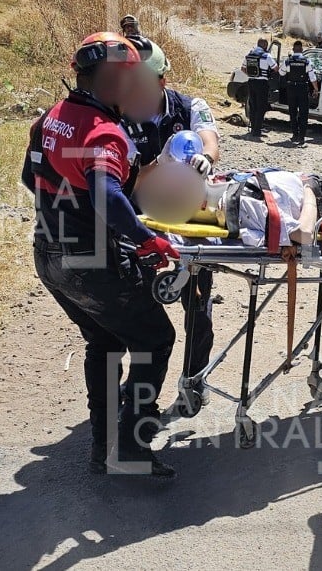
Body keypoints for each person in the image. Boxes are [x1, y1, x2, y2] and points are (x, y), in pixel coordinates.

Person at [21, 32, 179, 479]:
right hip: (88, 261)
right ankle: (130, 445)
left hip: (48, 255)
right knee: (154, 340)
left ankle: (101, 446)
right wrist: (145, 239)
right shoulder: (104, 134)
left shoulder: (53, 117)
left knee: (105, 342)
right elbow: (108, 196)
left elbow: (28, 178)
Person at [120, 36, 221, 410]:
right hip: (143, 222)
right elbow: (128, 182)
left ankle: (194, 380)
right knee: (142, 318)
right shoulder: (120, 118)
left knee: (198, 310)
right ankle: (138, 398)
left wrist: (205, 159)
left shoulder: (190, 106)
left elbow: (210, 140)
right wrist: (158, 164)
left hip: (191, 219)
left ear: (161, 81)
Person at [280, 40, 318, 146]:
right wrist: (315, 89)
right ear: (302, 50)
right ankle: (302, 137)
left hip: (291, 88)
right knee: (303, 113)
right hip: (302, 88)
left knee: (292, 112)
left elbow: (281, 72)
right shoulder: (307, 61)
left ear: (293, 49)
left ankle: (294, 135)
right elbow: (312, 78)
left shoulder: (288, 61)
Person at [241, 38, 278, 138]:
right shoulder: (267, 56)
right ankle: (257, 131)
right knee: (261, 107)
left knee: (253, 106)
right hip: (262, 84)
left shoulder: (249, 55)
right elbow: (275, 68)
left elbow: (243, 68)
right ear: (265, 45)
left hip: (251, 82)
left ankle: (253, 128)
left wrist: (250, 74)